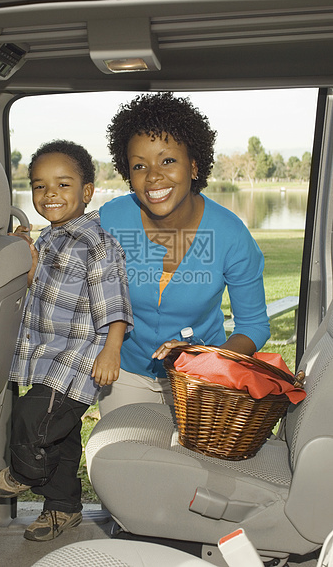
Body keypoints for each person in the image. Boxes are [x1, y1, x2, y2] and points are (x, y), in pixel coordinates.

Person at [0, 139, 134, 541]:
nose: (50, 193)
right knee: (64, 439)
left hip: (75, 361)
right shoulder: (50, 238)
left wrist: (111, 349)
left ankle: (24, 471)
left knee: (32, 420)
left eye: (63, 184)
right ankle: (63, 508)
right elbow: (42, 293)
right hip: (46, 358)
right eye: (39, 185)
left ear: (87, 192)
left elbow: (115, 302)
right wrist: (28, 261)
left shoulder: (96, 244)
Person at [98, 92, 270, 417]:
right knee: (123, 462)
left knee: (194, 466)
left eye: (167, 160)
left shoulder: (230, 235)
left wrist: (208, 361)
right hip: (125, 373)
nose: (153, 176)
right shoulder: (111, 219)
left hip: (200, 378)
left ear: (193, 166)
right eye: (139, 165)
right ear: (127, 173)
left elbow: (254, 325)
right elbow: (68, 261)